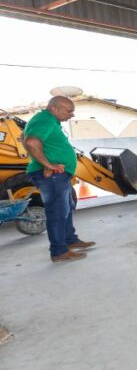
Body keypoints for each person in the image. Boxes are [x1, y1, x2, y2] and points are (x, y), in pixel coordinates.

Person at [23, 96, 95, 263]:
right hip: (53, 176)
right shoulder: (45, 120)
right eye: (69, 111)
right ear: (55, 108)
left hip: (58, 175)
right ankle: (59, 251)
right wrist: (48, 164)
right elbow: (31, 142)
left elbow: (22, 136)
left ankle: (70, 240)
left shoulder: (48, 121)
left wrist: (45, 162)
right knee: (57, 211)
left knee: (66, 208)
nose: (72, 115)